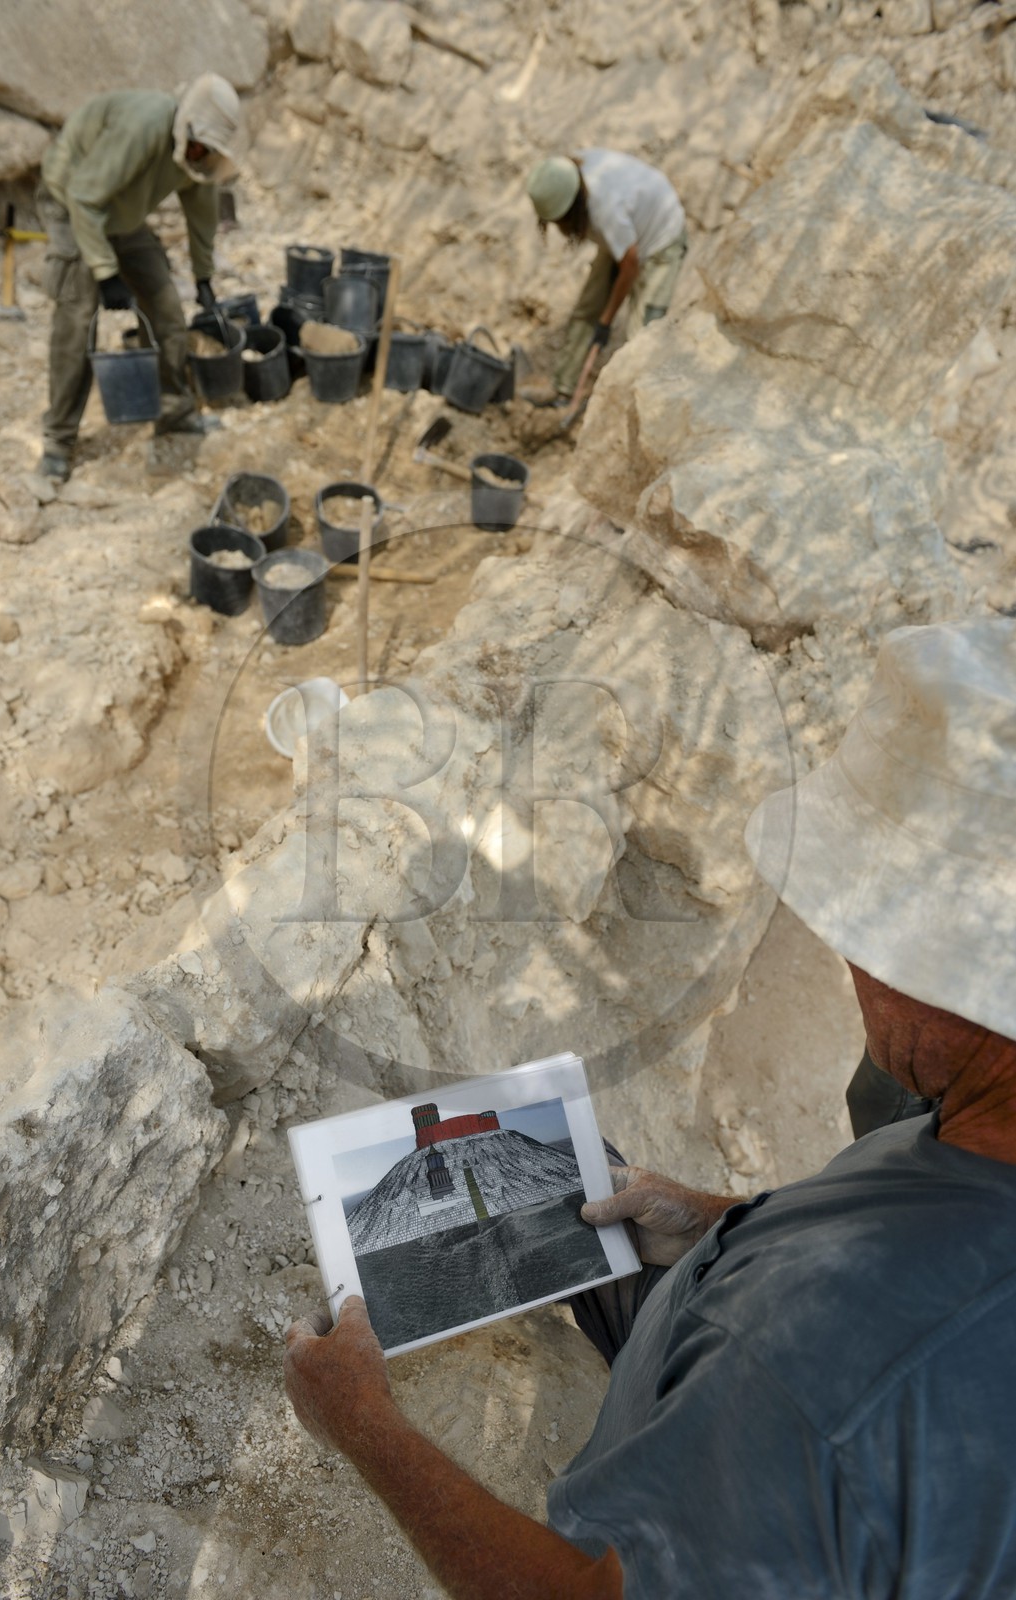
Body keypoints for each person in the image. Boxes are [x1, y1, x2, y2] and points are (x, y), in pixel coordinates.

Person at [284, 616, 1016, 1597]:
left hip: (741, 1409)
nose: (848, 961)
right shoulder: (973, 1131)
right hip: (728, 1325)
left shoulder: (808, 1369)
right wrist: (719, 1224)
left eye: (872, 939)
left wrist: (364, 1424)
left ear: (967, 991)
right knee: (551, 1171)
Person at [35, 74, 242, 482]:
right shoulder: (143, 128)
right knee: (78, 320)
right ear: (186, 130)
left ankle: (174, 412)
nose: (200, 155)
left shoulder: (197, 158)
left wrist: (204, 278)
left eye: (208, 151)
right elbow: (83, 197)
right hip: (74, 203)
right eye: (199, 146)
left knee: (166, 306)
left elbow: (202, 215)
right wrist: (106, 273)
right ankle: (58, 442)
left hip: (121, 215)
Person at [523, 150, 688, 407]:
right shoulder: (568, 176)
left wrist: (607, 320)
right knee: (586, 309)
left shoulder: (605, 209)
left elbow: (630, 266)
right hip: (628, 232)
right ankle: (563, 389)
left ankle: (633, 410)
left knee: (643, 336)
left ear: (573, 209)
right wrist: (599, 316)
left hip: (661, 240)